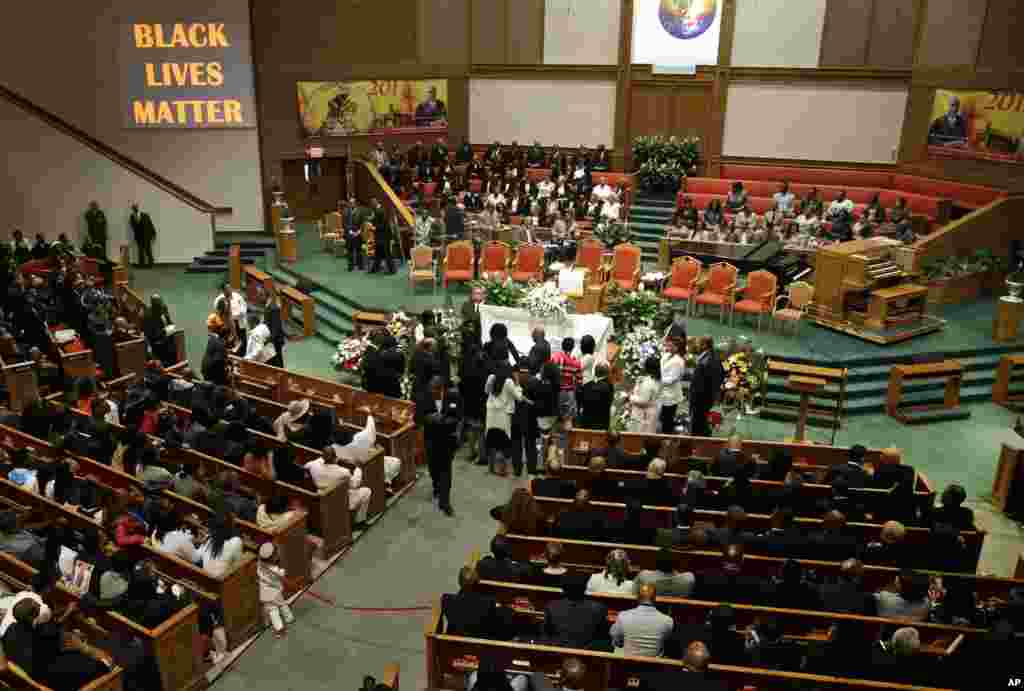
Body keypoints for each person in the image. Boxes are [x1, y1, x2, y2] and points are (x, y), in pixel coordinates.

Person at [416, 376, 461, 516]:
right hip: (431, 440)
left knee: (446, 470)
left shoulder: (452, 397)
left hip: (447, 440)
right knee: (433, 468)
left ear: (441, 389)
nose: (432, 392)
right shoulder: (424, 398)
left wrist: (445, 421)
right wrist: (428, 418)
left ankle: (445, 502)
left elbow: (459, 416)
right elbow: (417, 418)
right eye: (430, 390)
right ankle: (436, 486)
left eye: (435, 390)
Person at [484, 348, 527, 476]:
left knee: (491, 441)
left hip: (491, 414)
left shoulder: (491, 377)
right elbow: (518, 397)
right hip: (503, 415)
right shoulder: (508, 382)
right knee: (503, 443)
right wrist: (518, 383)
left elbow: (486, 391)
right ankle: (502, 470)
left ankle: (491, 468)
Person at [610, 582, 673, 657]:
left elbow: (616, 641)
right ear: (655, 598)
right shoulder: (667, 621)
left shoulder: (623, 616)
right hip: (654, 666)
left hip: (626, 664)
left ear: (637, 597)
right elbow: (665, 643)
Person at [441, 566, 504, 638]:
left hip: (452, 644)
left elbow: (439, 627)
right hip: (481, 644)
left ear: (459, 582)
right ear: (478, 582)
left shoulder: (447, 600)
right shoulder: (490, 602)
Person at [689, 337, 723, 437]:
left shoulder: (708, 360)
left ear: (704, 345)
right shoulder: (709, 357)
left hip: (701, 398)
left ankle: (698, 443)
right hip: (703, 397)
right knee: (700, 423)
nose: (697, 346)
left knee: (698, 424)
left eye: (699, 344)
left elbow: (705, 381)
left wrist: (699, 395)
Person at [198, 513, 244, 578]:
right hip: (221, 581)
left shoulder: (210, 538)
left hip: (205, 577)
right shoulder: (236, 541)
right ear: (231, 526)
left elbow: (198, 556)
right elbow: (238, 565)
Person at [659, 336, 685, 434]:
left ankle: (667, 438)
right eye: (668, 345)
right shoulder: (666, 355)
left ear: (676, 348)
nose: (667, 347)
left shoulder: (679, 361)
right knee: (662, 417)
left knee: (667, 419)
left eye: (670, 346)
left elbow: (672, 379)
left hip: (671, 395)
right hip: (663, 392)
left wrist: (658, 380)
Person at [628, 355, 661, 433]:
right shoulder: (657, 380)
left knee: (639, 438)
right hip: (651, 412)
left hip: (643, 415)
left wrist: (630, 397)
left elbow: (643, 401)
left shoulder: (648, 383)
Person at [213, 282, 247, 355]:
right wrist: (229, 318)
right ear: (223, 290)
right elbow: (219, 313)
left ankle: (242, 358)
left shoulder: (238, 296)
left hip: (240, 323)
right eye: (227, 289)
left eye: (230, 288)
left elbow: (244, 309)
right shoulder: (219, 300)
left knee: (242, 345)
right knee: (228, 346)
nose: (229, 290)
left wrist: (234, 316)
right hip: (226, 325)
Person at [578, 363, 613, 430]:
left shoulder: (586, 386)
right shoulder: (608, 386)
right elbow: (609, 402)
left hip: (586, 422)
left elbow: (581, 402)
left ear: (595, 372)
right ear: (607, 373)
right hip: (601, 423)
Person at [128, 203, 157, 267]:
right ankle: (141, 264)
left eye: (136, 207)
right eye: (133, 207)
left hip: (147, 236)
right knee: (140, 251)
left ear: (138, 207)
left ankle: (151, 264)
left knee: (148, 250)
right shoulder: (132, 217)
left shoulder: (145, 215)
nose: (135, 208)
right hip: (139, 237)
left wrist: (154, 234)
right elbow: (133, 227)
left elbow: (150, 224)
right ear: (132, 209)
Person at [264, 285, 286, 368]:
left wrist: (270, 340)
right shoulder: (269, 305)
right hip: (272, 338)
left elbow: (276, 327)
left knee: (278, 360)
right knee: (275, 360)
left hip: (275, 340)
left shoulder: (274, 308)